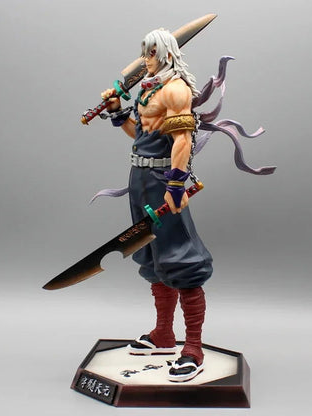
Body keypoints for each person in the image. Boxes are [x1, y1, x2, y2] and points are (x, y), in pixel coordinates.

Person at [101, 28, 212, 382]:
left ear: (165, 54)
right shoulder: (147, 89)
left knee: (180, 257)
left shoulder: (176, 89)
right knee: (149, 254)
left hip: (165, 178)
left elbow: (182, 138)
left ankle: (193, 347)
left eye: (151, 52)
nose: (146, 58)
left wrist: (176, 183)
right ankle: (164, 333)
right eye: (144, 52)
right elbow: (142, 134)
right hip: (139, 178)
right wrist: (118, 112)